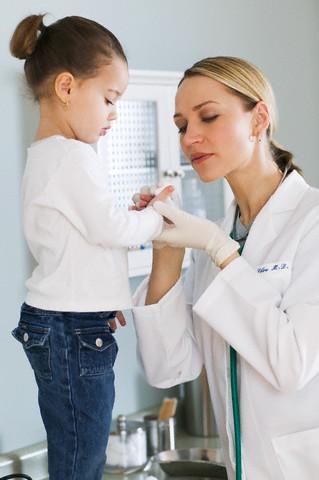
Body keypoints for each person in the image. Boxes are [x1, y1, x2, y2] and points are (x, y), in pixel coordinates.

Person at [131, 56, 319, 480]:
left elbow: (291, 364)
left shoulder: (312, 221)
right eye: (181, 125)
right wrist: (166, 249)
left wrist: (219, 250)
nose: (189, 138)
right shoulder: (215, 239)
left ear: (259, 120)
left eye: (209, 117)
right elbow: (168, 369)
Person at [9, 14, 172, 480]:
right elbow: (111, 228)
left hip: (67, 321)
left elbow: (79, 242)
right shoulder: (72, 156)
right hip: (69, 329)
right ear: (66, 87)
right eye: (108, 98)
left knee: (76, 445)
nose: (114, 113)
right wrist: (155, 217)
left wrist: (104, 300)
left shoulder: (48, 156)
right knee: (83, 455)